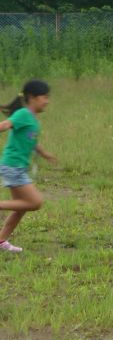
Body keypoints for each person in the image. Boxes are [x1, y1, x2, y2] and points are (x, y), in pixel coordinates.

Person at [0, 79, 57, 253]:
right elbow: (5, 125)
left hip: (17, 167)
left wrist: (44, 153)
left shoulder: (33, 120)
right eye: (44, 97)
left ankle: (1, 241)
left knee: (21, 207)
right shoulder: (23, 114)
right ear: (32, 97)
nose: (47, 101)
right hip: (13, 167)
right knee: (35, 202)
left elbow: (31, 141)